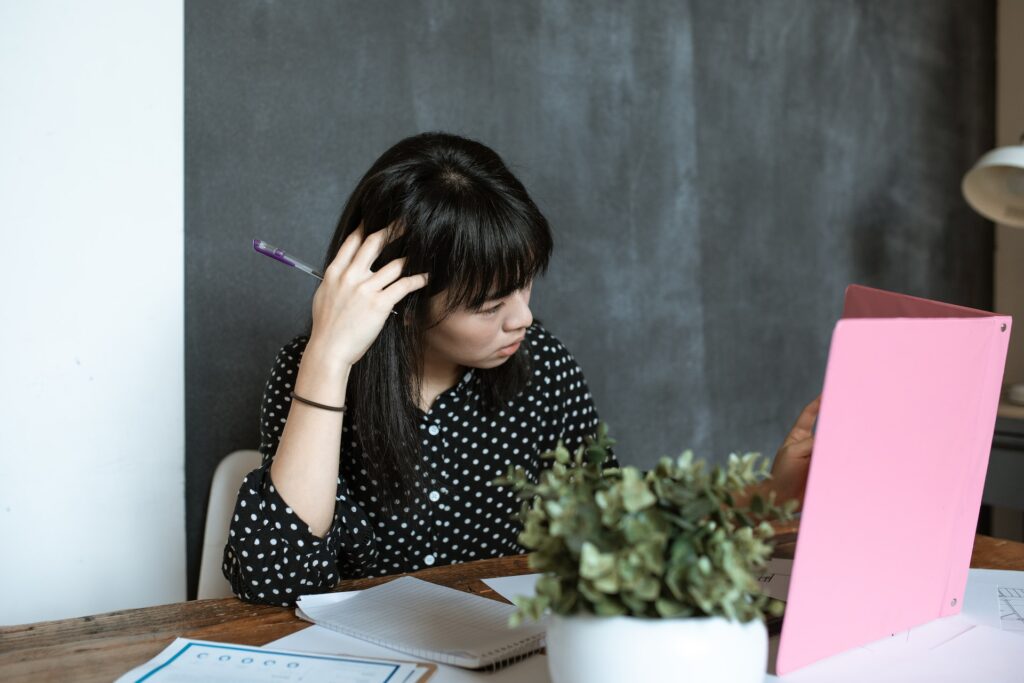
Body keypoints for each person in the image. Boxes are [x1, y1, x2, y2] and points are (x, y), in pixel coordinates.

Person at [223, 131, 818, 607]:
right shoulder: (311, 374)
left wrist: (771, 496)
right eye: (489, 307)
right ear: (400, 304)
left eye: (524, 287)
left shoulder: (543, 370)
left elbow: (619, 530)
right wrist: (328, 358)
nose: (523, 320)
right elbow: (276, 581)